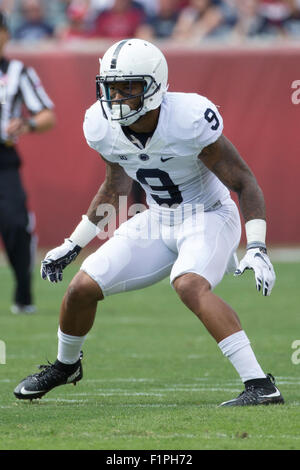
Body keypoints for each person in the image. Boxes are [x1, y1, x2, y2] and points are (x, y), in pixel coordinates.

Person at [14, 38, 284, 407]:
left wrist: (256, 245)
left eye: (129, 87)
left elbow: (243, 181)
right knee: (81, 288)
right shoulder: (100, 124)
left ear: (154, 86)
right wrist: (73, 244)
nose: (118, 97)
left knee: (189, 284)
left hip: (208, 215)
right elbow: (115, 187)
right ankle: (65, 366)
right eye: (112, 88)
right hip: (158, 217)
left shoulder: (189, 119)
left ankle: (260, 385)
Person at [0, 11, 55, 313]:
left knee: (16, 226)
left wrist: (27, 124)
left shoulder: (18, 71)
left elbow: (47, 115)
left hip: (4, 159)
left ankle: (23, 293)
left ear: (6, 34)